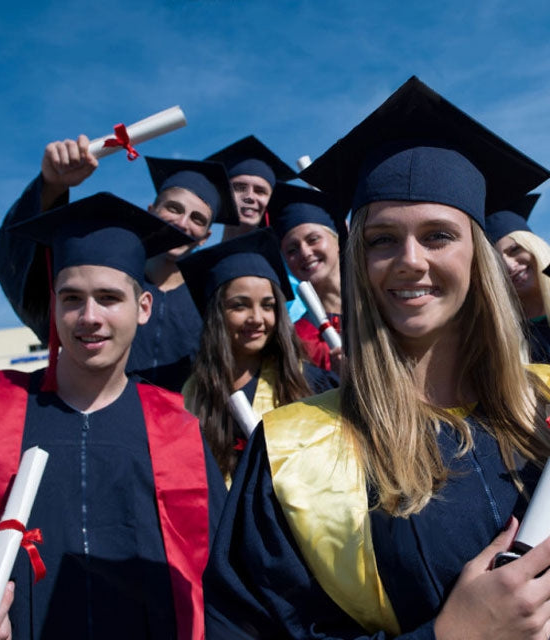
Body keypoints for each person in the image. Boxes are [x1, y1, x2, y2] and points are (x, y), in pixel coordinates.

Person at [202, 76, 550, 639]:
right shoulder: (298, 453)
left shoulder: (544, 404)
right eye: (382, 240)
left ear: (478, 257)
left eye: (438, 235)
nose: (409, 261)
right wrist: (447, 636)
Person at [0, 193, 226, 639]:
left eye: (109, 298)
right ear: (55, 307)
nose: (89, 317)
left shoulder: (177, 428)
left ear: (143, 309)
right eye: (72, 298)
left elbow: (218, 577)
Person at [0, 136, 239, 391]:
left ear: (205, 238)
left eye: (197, 219)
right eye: (174, 208)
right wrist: (51, 186)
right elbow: (21, 266)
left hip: (179, 426)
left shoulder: (210, 301)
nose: (183, 222)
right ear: (151, 210)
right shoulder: (102, 286)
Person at [179, 229, 336, 483]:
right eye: (239, 305)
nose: (256, 318)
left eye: (267, 305)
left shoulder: (309, 384)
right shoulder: (193, 394)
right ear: (217, 314)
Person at [268, 182, 345, 374]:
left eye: (313, 239)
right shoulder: (300, 338)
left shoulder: (383, 303)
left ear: (337, 241)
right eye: (292, 250)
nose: (305, 253)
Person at [486, 195, 550, 362]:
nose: (509, 266)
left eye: (515, 250)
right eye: (497, 263)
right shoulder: (499, 343)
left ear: (535, 247)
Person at [205, 135, 297, 240]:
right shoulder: (194, 256)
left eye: (260, 191)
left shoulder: (289, 255)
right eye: (239, 188)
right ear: (223, 195)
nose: (249, 197)